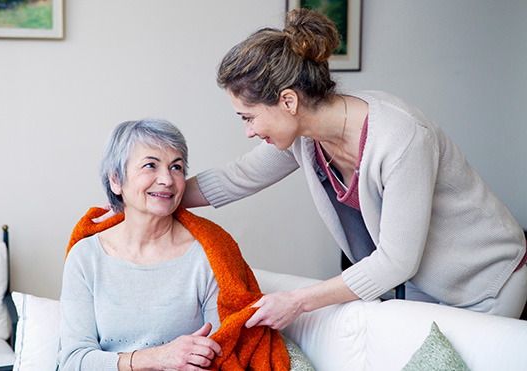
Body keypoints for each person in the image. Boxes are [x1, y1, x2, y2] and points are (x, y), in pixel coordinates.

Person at [180, 8, 527, 326]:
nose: (249, 131)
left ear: (288, 101)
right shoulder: (303, 135)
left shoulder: (400, 137)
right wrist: (159, 194)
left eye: (249, 117)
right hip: (423, 281)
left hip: (486, 283)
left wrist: (297, 302)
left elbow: (396, 261)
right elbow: (236, 177)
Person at [58, 118, 290, 371]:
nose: (167, 180)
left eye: (176, 167)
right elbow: (73, 360)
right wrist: (155, 359)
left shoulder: (209, 254)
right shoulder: (86, 256)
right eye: (150, 165)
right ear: (116, 179)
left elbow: (221, 351)